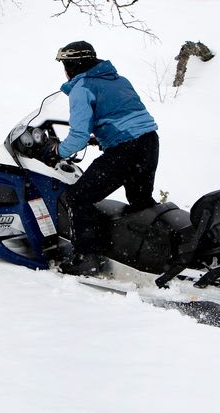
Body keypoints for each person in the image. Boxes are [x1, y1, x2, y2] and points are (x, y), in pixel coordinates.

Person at [37, 40, 160, 275]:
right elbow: (124, 116)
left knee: (78, 198)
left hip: (125, 149)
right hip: (149, 143)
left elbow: (78, 136)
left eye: (64, 65)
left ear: (72, 66)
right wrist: (102, 137)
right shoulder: (119, 80)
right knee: (140, 201)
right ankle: (153, 254)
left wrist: (56, 152)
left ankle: (87, 258)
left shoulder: (81, 88)